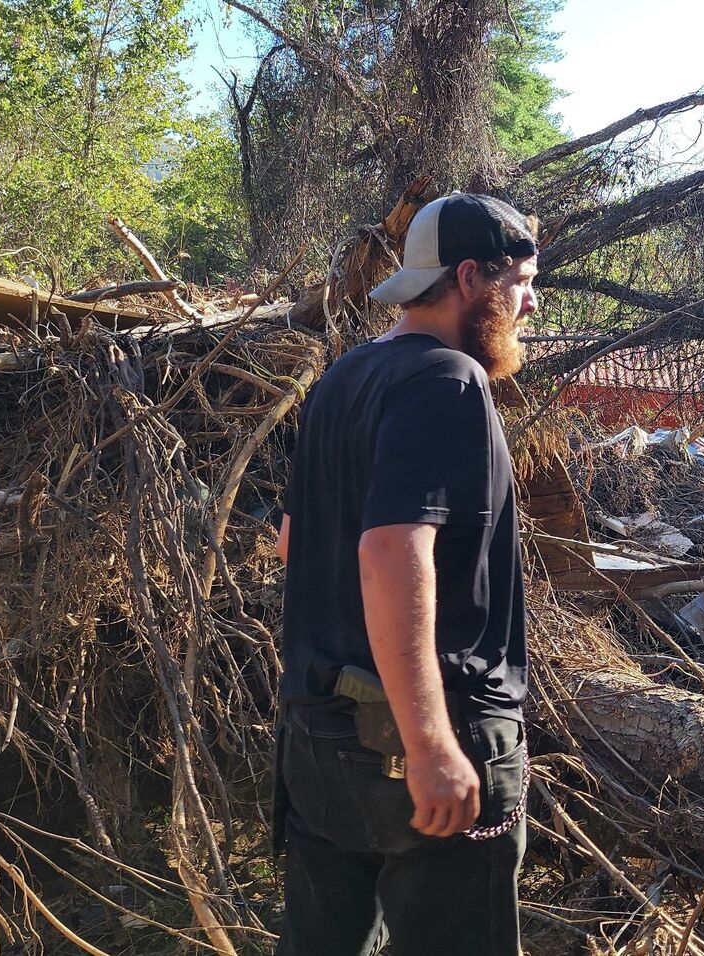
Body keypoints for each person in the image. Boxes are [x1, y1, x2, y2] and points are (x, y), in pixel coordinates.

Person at [273, 191, 539, 953]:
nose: (528, 303)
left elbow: (296, 542)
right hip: (420, 742)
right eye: (519, 282)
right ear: (467, 280)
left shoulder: (343, 380)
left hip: (319, 745)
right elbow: (391, 549)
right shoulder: (449, 380)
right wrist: (429, 747)